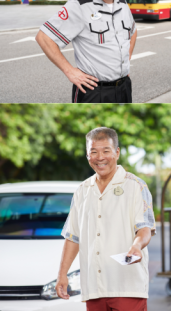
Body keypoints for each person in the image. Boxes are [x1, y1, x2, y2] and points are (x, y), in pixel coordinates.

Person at [56, 127, 154, 310]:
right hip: (94, 289)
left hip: (128, 288)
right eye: (93, 152)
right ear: (87, 155)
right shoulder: (82, 191)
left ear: (116, 152)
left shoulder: (136, 186)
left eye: (106, 151)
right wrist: (62, 274)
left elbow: (144, 228)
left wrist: (137, 245)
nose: (100, 157)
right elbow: (72, 237)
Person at [36, 0, 137, 103]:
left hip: (124, 86)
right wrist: (70, 72)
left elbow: (133, 32)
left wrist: (124, 62)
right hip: (93, 91)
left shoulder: (123, 4)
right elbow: (43, 37)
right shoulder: (78, 6)